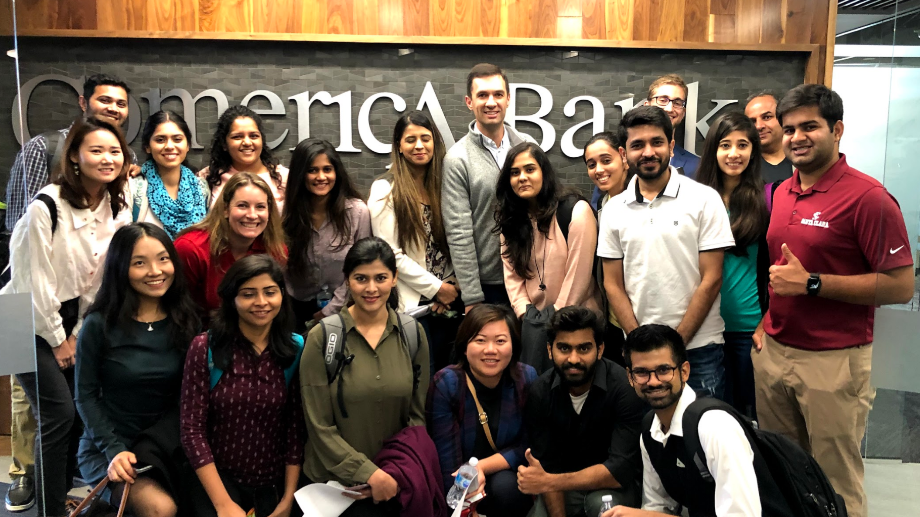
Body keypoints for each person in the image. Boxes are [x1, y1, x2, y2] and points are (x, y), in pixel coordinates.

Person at [753, 84, 914, 517]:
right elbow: (780, 271)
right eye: (789, 129)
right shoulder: (781, 192)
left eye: (810, 127)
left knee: (835, 482)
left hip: (835, 362)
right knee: (783, 471)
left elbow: (900, 285)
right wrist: (766, 319)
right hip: (776, 354)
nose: (797, 137)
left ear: (837, 130)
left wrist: (813, 284)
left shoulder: (869, 198)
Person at [3, 73, 130, 513]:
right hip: (17, 315)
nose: (107, 158)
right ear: (74, 156)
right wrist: (60, 339)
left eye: (114, 151)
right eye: (96, 150)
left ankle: (61, 495)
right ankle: (49, 507)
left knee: (75, 411)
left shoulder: (115, 207)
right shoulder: (46, 205)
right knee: (56, 413)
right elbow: (31, 280)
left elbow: (98, 279)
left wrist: (76, 332)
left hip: (71, 315)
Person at [598, 106, 734, 400]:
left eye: (657, 142)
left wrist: (675, 345)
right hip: (640, 352)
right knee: (646, 427)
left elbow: (712, 278)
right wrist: (638, 341)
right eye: (637, 144)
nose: (648, 152)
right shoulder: (613, 210)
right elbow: (612, 283)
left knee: (702, 427)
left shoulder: (705, 200)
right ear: (624, 153)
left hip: (699, 349)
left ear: (671, 146)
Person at [75, 223, 200, 517]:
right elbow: (85, 396)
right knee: (160, 509)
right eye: (139, 263)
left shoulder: (186, 319)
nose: (155, 271)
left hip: (167, 445)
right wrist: (113, 449)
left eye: (163, 259)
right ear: (121, 268)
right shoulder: (99, 324)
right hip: (112, 446)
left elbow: (191, 395)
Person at [300, 237, 429, 517]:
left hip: (395, 483)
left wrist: (394, 473)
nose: (371, 288)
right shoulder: (323, 337)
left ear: (394, 278)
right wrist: (368, 473)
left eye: (380, 278)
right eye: (361, 278)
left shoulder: (412, 334)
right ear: (347, 280)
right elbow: (318, 425)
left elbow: (417, 417)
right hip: (334, 491)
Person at [604, 324, 788, 517]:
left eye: (664, 370)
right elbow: (657, 505)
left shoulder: (715, 427)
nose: (653, 381)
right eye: (641, 372)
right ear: (630, 377)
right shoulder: (650, 431)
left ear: (684, 371)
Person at [180, 254, 305, 517]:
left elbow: (295, 429)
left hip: (272, 484)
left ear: (282, 295)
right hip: (216, 480)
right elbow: (192, 430)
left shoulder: (295, 348)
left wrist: (288, 497)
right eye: (248, 294)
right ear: (232, 299)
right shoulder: (205, 347)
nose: (261, 302)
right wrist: (223, 504)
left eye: (270, 292)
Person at [521, 306, 644, 517]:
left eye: (584, 348)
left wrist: (550, 481)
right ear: (550, 350)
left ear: (600, 349)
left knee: (603, 507)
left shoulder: (624, 388)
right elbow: (547, 466)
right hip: (562, 488)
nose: (574, 359)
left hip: (614, 487)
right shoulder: (540, 392)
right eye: (564, 348)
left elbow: (619, 470)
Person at [368, 111, 461, 373]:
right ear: (399, 146)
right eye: (410, 140)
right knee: (422, 378)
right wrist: (436, 289)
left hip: (451, 300)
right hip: (414, 306)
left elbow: (460, 240)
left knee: (451, 378)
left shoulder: (446, 186)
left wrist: (453, 285)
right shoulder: (385, 190)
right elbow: (390, 254)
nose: (419, 146)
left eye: (425, 138)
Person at [442, 63, 537, 311]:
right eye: (482, 95)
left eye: (498, 94)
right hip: (489, 285)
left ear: (508, 99)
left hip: (532, 275)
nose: (491, 102)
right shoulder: (457, 159)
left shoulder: (528, 146)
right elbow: (459, 233)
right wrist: (472, 297)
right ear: (469, 102)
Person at [426, 304, 537, 517]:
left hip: (504, 476)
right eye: (480, 340)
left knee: (507, 488)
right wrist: (465, 504)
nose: (490, 350)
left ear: (514, 345)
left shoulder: (526, 378)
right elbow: (447, 465)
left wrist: (482, 466)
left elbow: (528, 445)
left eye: (500, 341)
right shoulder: (447, 384)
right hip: (460, 477)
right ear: (464, 346)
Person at [695, 112, 769, 419]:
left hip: (748, 328)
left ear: (753, 150)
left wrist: (767, 322)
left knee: (750, 417)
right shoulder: (695, 199)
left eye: (743, 145)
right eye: (725, 145)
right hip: (703, 326)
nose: (734, 153)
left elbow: (775, 267)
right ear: (713, 148)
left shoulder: (766, 199)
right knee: (711, 417)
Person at [496, 142, 602, 319]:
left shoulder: (575, 211)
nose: (522, 177)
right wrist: (526, 315)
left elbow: (578, 279)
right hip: (533, 320)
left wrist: (554, 319)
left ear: (544, 173)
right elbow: (512, 277)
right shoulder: (511, 221)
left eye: (530, 169)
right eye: (514, 172)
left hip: (576, 320)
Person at [174, 172, 287, 325]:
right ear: (225, 209)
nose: (252, 215)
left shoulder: (276, 251)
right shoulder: (191, 248)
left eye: (260, 207)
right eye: (242, 206)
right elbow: (177, 307)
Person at [282, 138, 371, 332]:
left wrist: (332, 309)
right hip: (293, 311)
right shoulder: (283, 214)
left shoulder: (357, 212)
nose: (321, 177)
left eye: (327, 169)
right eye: (312, 170)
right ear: (300, 174)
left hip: (344, 308)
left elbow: (361, 268)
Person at [583, 132, 631, 364]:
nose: (599, 170)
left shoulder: (642, 203)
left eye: (606, 160)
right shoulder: (604, 204)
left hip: (643, 319)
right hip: (613, 319)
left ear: (623, 157)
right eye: (592, 164)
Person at [131, 110, 210, 238]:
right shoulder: (134, 188)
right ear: (147, 147)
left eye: (177, 139)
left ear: (188, 145)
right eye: (160, 140)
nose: (169, 146)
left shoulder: (201, 188)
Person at [199, 105, 289, 212]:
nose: (247, 142)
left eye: (253, 136)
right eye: (237, 137)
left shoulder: (284, 178)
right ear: (224, 144)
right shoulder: (208, 177)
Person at [744, 91, 793, 184]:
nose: (759, 126)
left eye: (767, 117)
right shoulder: (744, 165)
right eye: (753, 121)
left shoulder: (802, 158)